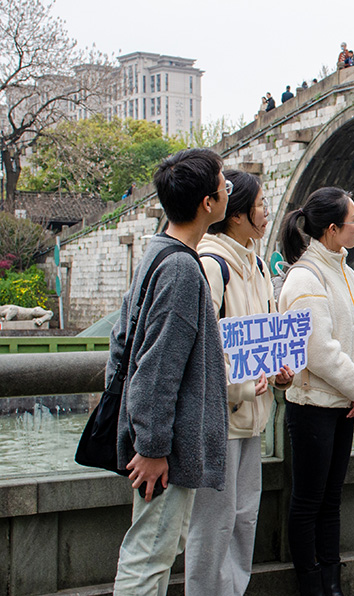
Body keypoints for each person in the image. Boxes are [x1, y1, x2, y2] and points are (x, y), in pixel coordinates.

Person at [110, 148, 230, 595]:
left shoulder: (157, 254)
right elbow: (156, 368)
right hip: (165, 451)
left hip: (158, 442)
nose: (226, 194)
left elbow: (121, 344)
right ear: (208, 203)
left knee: (154, 550)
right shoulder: (181, 267)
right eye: (225, 186)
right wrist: (154, 445)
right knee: (150, 557)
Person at [184, 170, 288, 596]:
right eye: (262, 205)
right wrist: (241, 385)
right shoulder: (211, 265)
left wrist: (283, 366)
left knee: (244, 517)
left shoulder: (259, 265)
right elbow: (199, 349)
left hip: (255, 416)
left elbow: (270, 329)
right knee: (212, 524)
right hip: (220, 419)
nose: (267, 213)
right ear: (240, 214)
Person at [278, 187, 354, 596]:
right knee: (308, 500)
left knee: (331, 498)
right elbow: (316, 349)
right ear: (334, 229)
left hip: (343, 404)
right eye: (353, 220)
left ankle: (332, 583)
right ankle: (312, 586)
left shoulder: (346, 272)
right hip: (313, 406)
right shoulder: (306, 276)